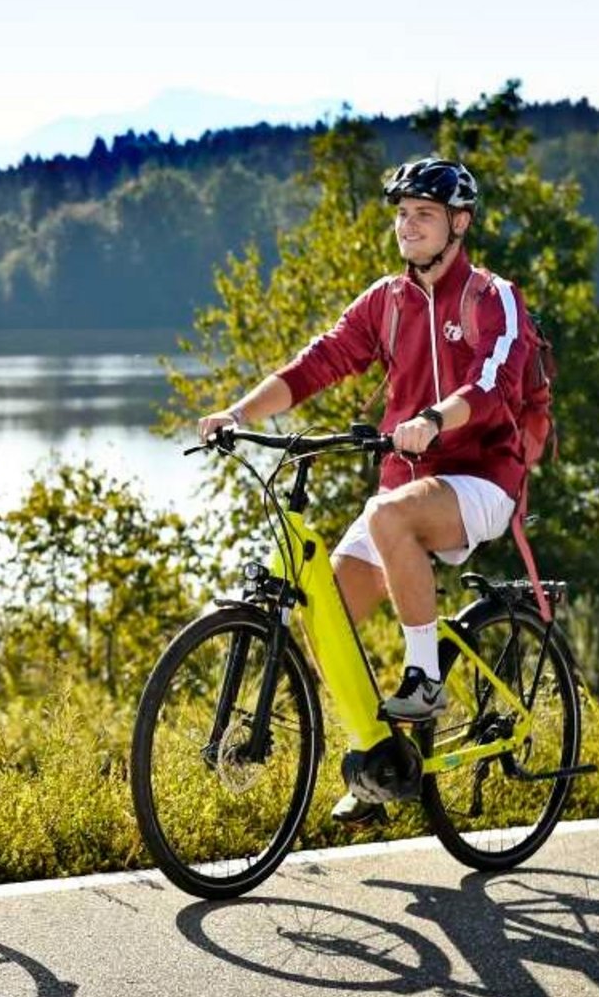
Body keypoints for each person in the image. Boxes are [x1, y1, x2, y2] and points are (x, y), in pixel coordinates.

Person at [195, 157, 534, 823]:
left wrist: (436, 419)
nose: (408, 226)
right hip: (402, 493)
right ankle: (381, 759)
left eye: (425, 215)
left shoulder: (492, 297)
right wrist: (238, 414)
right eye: (402, 214)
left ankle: (425, 680)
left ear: (458, 224)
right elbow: (317, 363)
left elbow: (495, 384)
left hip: (482, 479)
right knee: (326, 617)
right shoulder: (387, 300)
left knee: (389, 515)